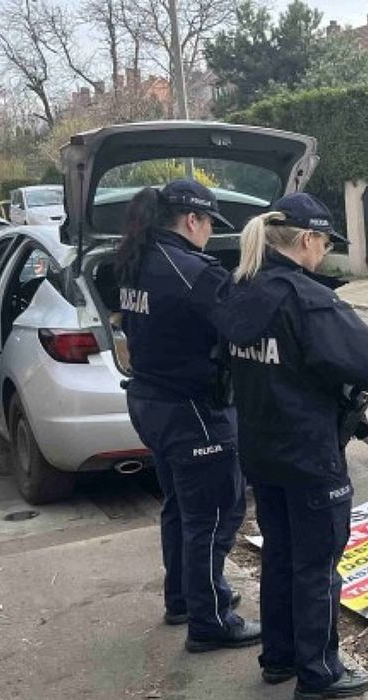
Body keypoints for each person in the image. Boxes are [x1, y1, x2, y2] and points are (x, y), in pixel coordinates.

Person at [212, 193, 368, 700]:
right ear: (308, 238)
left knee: (281, 556)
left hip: (260, 449)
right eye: (325, 242)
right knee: (315, 565)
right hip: (309, 453)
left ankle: (280, 656)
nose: (325, 252)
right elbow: (364, 359)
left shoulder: (236, 290)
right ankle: (319, 671)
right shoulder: (306, 298)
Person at [115, 179, 258, 652]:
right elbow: (244, 326)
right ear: (193, 220)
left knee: (181, 507)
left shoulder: (137, 258)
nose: (210, 233)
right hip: (192, 408)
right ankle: (211, 620)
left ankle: (183, 598)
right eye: (209, 224)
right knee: (216, 515)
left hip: (150, 400)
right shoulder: (189, 269)